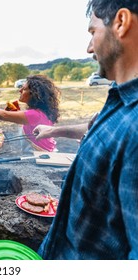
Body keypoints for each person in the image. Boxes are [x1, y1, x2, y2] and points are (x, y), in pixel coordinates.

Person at [38, 0, 138, 259]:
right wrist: (51, 132)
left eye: (93, 32)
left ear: (121, 22)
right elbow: (97, 129)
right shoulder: (121, 99)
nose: (89, 47)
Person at [0, 75, 60, 152]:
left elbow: (3, 115)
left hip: (42, 153)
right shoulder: (41, 112)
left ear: (34, 93)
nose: (20, 90)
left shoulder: (34, 114)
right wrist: (15, 113)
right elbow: (24, 120)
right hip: (46, 150)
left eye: (24, 89)